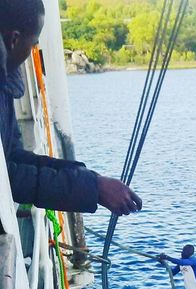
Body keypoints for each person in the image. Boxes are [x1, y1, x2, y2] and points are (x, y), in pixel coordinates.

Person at [0, 0, 142, 215]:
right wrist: (94, 189)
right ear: (14, 39)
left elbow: (12, 155)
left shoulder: (5, 83)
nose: (32, 52)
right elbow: (7, 177)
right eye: (33, 44)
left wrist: (93, 181)